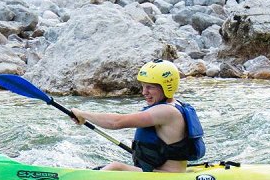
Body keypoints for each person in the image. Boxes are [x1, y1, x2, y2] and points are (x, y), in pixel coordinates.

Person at [70, 60, 205, 172]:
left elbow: (116, 122)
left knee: (116, 167)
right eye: (143, 86)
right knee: (106, 168)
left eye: (150, 87)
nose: (144, 92)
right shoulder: (176, 105)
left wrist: (82, 114)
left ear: (167, 87)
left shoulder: (166, 112)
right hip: (162, 173)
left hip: (165, 177)